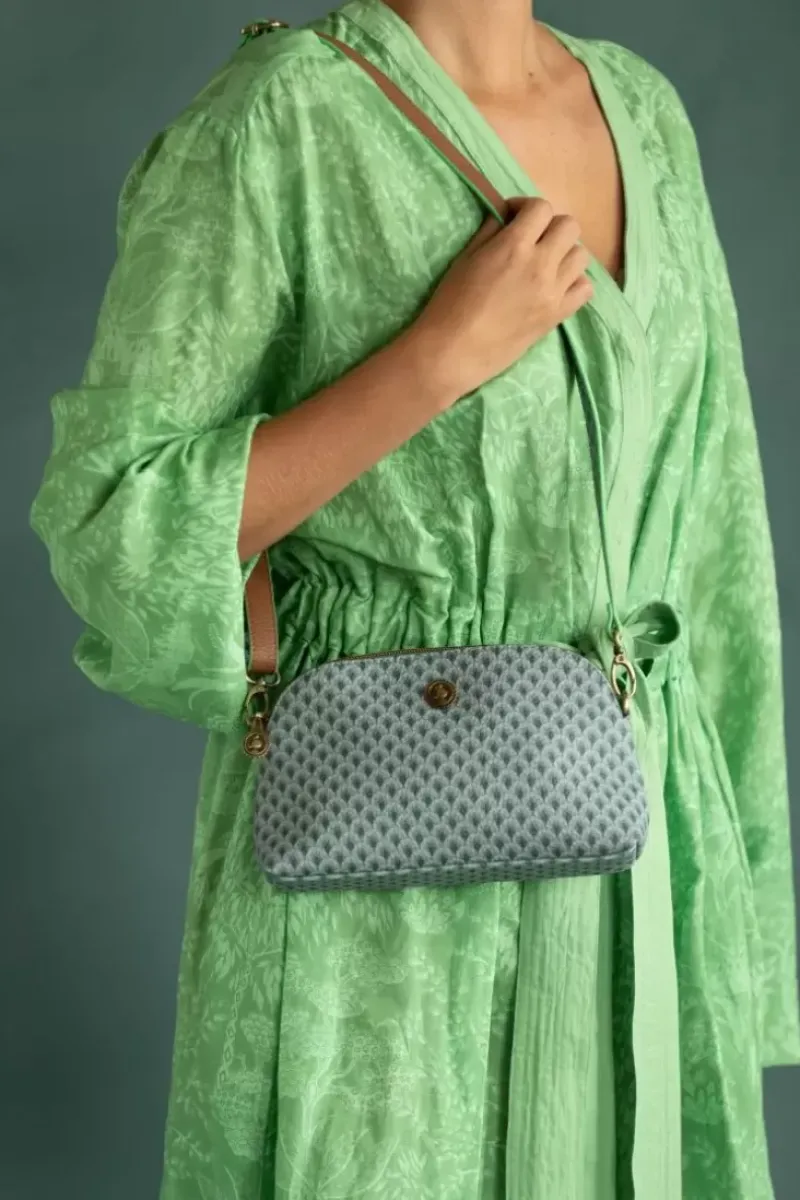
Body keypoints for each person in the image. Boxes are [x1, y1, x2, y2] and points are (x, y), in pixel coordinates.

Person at [30, 1, 800, 1196]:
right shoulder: (275, 122)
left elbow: (716, 532)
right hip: (380, 916)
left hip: (639, 867)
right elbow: (116, 526)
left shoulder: (642, 110)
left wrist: (742, 934)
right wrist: (434, 360)